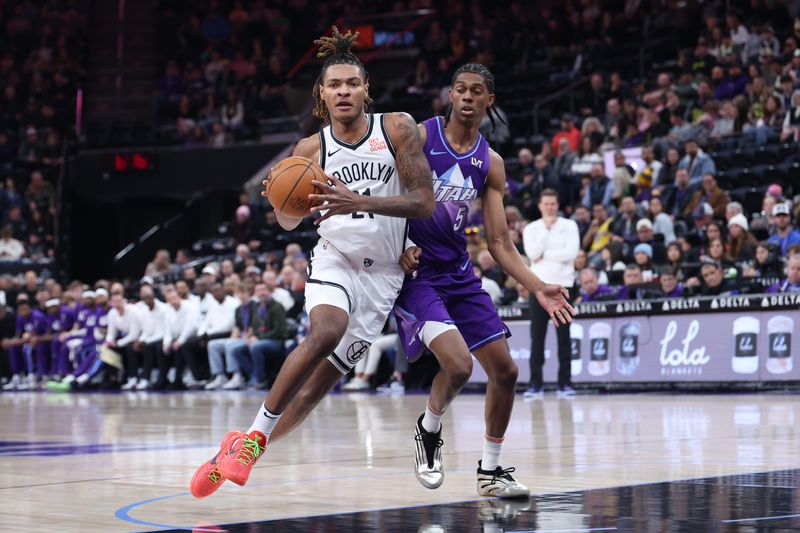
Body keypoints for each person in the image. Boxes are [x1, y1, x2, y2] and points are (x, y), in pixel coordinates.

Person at [190, 27, 435, 498]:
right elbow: (287, 223)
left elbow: (423, 201)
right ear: (321, 95)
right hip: (335, 258)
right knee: (325, 331)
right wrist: (282, 203)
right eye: (334, 85)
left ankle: (236, 451)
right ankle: (254, 439)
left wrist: (355, 200)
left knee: (312, 394)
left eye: (352, 83)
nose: (344, 91)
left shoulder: (396, 128)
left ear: (366, 89)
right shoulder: (308, 150)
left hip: (384, 275)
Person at [522, 189, 580, 398]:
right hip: (538, 288)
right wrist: (547, 232)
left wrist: (545, 255)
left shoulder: (569, 225)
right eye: (546, 204)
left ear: (557, 205)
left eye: (553, 204)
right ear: (540, 206)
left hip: (564, 286)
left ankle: (565, 384)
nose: (550, 208)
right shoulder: (532, 228)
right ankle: (535, 384)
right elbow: (532, 254)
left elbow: (571, 254)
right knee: (537, 338)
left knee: (564, 338)